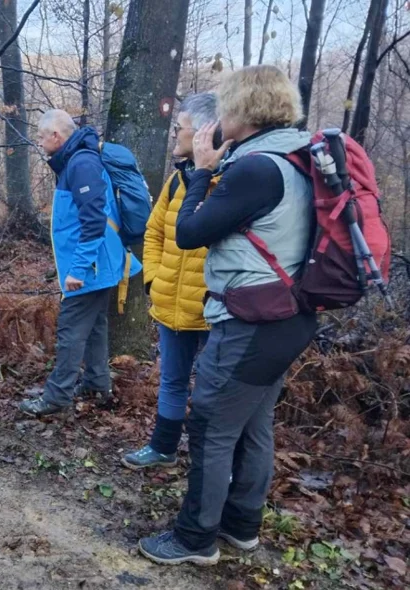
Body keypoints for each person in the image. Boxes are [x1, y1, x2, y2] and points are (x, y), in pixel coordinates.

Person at [138, 65, 318, 566]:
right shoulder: (294, 159)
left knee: (212, 426)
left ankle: (195, 538)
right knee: (255, 423)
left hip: (251, 321)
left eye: (223, 107)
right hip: (288, 318)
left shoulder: (257, 168)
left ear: (241, 110)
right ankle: (242, 526)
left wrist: (199, 173)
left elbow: (190, 233)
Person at [19, 110, 142, 416]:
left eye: (41, 135)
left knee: (71, 331)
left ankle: (57, 397)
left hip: (90, 267)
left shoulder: (81, 163)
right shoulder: (75, 161)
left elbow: (93, 221)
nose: (38, 140)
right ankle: (97, 384)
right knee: (96, 326)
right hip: (97, 264)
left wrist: (79, 268)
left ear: (57, 137)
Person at [122, 93, 218, 470]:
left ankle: (210, 465)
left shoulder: (231, 182)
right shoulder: (178, 182)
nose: (175, 133)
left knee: (213, 394)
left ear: (204, 132)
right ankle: (163, 447)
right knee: (173, 381)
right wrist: (154, 279)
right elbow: (153, 232)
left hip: (213, 310)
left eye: (181, 127)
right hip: (171, 302)